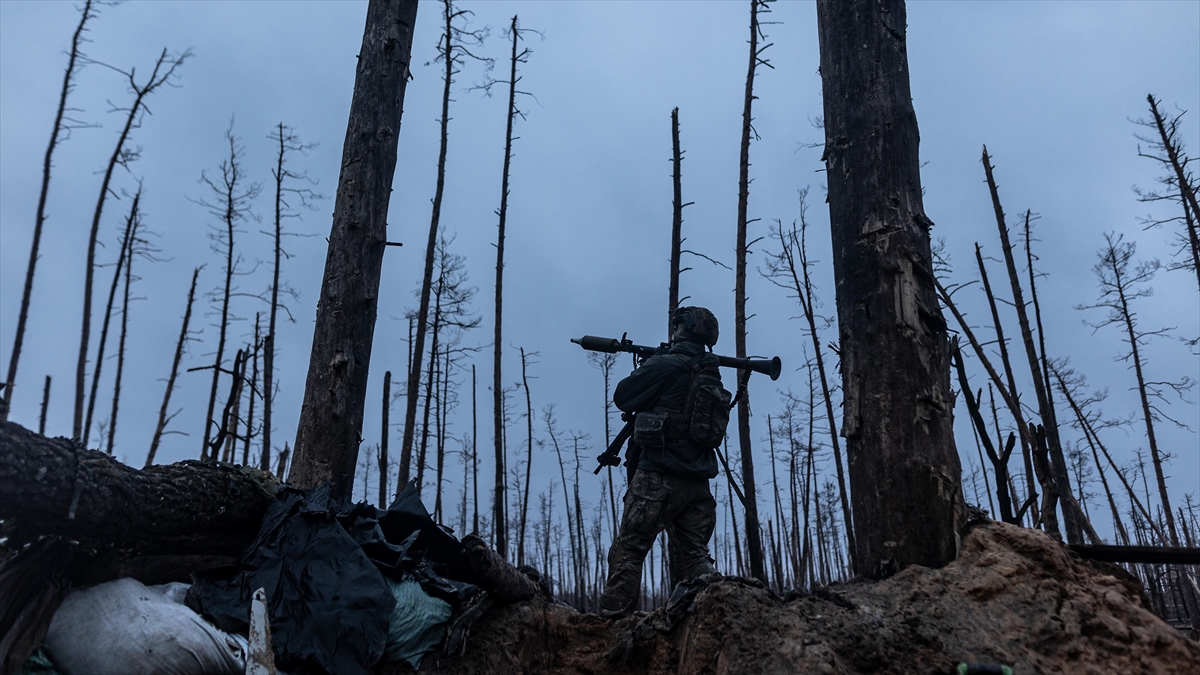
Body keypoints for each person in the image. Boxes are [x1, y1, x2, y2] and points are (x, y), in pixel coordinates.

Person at [598, 306, 729, 619]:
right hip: (697, 484)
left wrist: (651, 365)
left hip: (658, 478)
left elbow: (624, 397)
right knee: (696, 557)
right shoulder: (711, 372)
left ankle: (609, 626)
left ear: (682, 329)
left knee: (629, 548)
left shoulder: (668, 364)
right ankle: (718, 618)